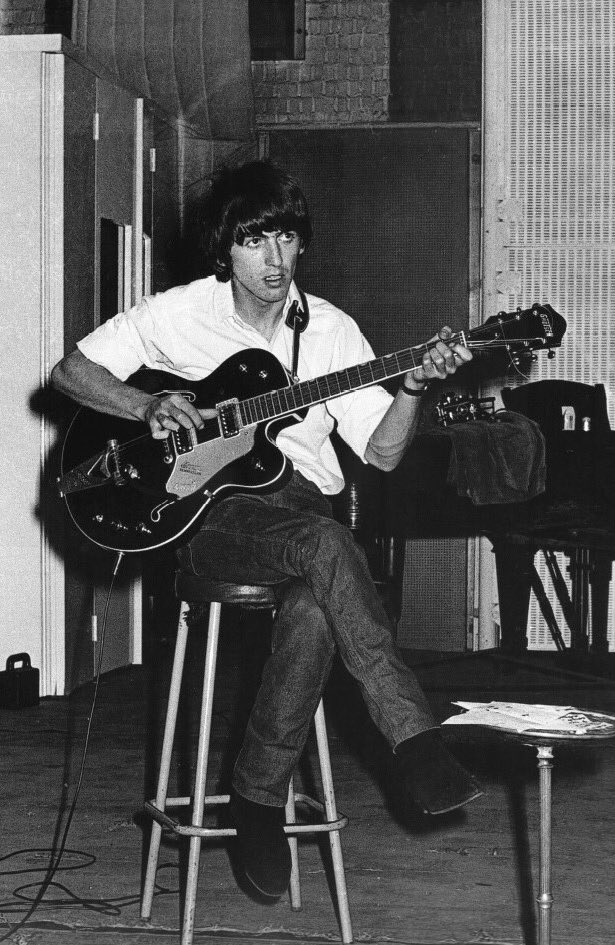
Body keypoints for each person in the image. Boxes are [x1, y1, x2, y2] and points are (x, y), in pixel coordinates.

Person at [51, 159, 482, 899]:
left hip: (306, 515)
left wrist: (411, 387)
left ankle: (256, 795)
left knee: (318, 592)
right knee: (326, 549)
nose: (274, 260)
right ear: (227, 248)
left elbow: (379, 452)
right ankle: (412, 734)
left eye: (285, 237)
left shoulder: (333, 331)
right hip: (211, 517)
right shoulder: (182, 311)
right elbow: (70, 372)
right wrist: (145, 408)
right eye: (255, 241)